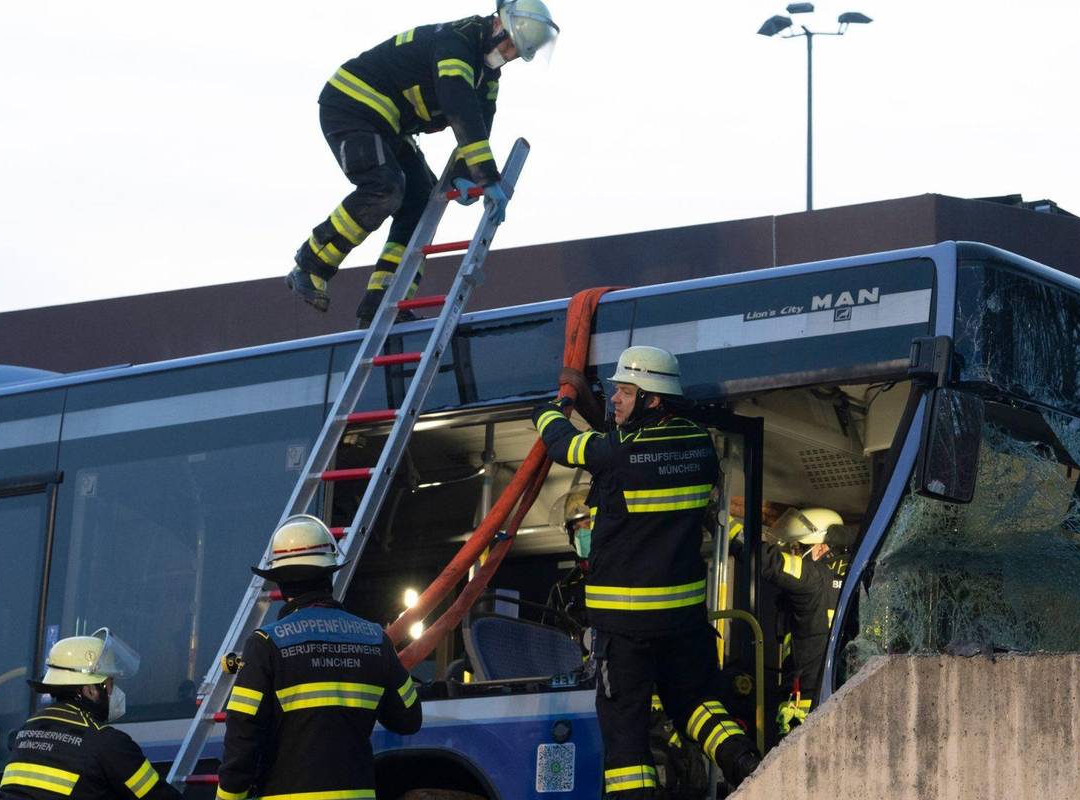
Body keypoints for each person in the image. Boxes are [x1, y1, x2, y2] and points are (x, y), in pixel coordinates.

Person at [532, 346, 761, 796]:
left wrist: (549, 410)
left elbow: (563, 445)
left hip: (625, 628)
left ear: (653, 399)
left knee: (625, 732)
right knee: (698, 705)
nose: (615, 398)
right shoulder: (700, 444)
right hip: (683, 620)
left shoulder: (619, 451)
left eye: (625, 390)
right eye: (615, 389)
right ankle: (749, 765)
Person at [284, 0, 559, 328]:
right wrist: (487, 177)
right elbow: (459, 107)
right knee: (384, 187)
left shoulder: (487, 76)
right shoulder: (456, 45)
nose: (510, 54)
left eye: (518, 53)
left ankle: (384, 300)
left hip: (391, 124)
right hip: (351, 104)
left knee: (420, 199)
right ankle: (310, 265)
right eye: (510, 45)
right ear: (498, 25)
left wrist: (464, 175)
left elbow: (479, 125)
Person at [216, 514, 422, 800]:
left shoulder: (266, 644)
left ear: (281, 584)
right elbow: (409, 719)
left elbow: (243, 737)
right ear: (329, 575)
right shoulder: (375, 638)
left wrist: (228, 797)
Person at [0, 629, 180, 799]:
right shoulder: (108, 743)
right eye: (109, 683)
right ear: (90, 690)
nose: (113, 692)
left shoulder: (25, 732)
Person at [761, 507, 852, 734]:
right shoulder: (854, 578)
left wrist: (733, 532)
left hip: (806, 712)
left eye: (797, 547)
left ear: (820, 547)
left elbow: (768, 562)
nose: (792, 554)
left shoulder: (814, 577)